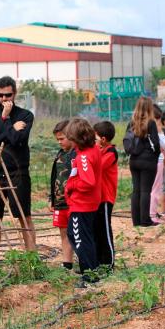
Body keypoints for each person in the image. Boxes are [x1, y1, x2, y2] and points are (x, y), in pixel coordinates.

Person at [0, 76, 36, 262]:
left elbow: (17, 140)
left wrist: (5, 123)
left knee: (23, 216)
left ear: (15, 93)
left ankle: (32, 261)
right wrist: (9, 125)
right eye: (0, 95)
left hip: (18, 172)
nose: (4, 99)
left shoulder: (26, 115)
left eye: (8, 95)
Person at [64, 118, 102, 286]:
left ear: (78, 139)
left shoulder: (84, 157)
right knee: (84, 236)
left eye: (71, 139)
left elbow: (88, 182)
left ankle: (89, 276)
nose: (69, 142)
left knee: (78, 237)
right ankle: (91, 268)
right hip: (89, 202)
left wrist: (72, 185)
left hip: (82, 204)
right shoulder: (94, 149)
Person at [126, 97, 161, 227]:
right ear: (149, 107)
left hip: (134, 160)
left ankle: (136, 221)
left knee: (136, 190)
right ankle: (145, 220)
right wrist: (155, 155)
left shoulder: (131, 123)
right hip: (148, 160)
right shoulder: (150, 123)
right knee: (146, 190)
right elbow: (156, 143)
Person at [49, 119, 75, 271]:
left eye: (62, 139)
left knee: (75, 232)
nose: (59, 142)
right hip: (59, 201)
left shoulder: (76, 155)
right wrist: (51, 198)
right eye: (57, 139)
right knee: (63, 232)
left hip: (73, 202)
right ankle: (67, 263)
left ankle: (86, 261)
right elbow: (55, 177)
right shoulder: (59, 154)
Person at [93, 121, 118, 268]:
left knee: (105, 230)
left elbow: (98, 166)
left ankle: (109, 262)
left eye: (95, 138)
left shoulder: (110, 152)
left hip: (105, 198)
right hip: (95, 198)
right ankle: (97, 261)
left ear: (103, 139)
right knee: (96, 229)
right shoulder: (99, 150)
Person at [149, 104, 165, 224]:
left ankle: (148, 213)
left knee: (147, 188)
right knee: (156, 189)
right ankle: (152, 215)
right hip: (158, 160)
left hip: (148, 160)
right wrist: (160, 129)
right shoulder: (156, 128)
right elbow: (164, 146)